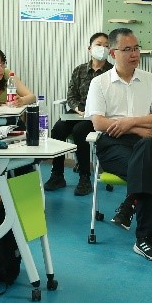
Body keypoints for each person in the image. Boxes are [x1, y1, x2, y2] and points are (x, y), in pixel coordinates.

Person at [86, 28, 152, 263]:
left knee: (147, 150)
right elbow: (98, 122)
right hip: (112, 143)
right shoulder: (99, 83)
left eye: (136, 48)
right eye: (127, 49)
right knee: (144, 171)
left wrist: (129, 122)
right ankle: (146, 238)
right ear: (113, 53)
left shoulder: (150, 79)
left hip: (145, 142)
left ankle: (131, 206)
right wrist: (135, 128)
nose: (134, 54)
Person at [43, 33, 112, 196]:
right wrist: (78, 109)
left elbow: (113, 99)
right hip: (78, 111)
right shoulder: (80, 70)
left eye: (106, 45)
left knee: (79, 131)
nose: (102, 48)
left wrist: (92, 112)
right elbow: (71, 96)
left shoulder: (112, 72)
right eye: (99, 44)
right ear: (90, 48)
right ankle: (57, 175)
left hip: (98, 115)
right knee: (58, 129)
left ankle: (84, 177)